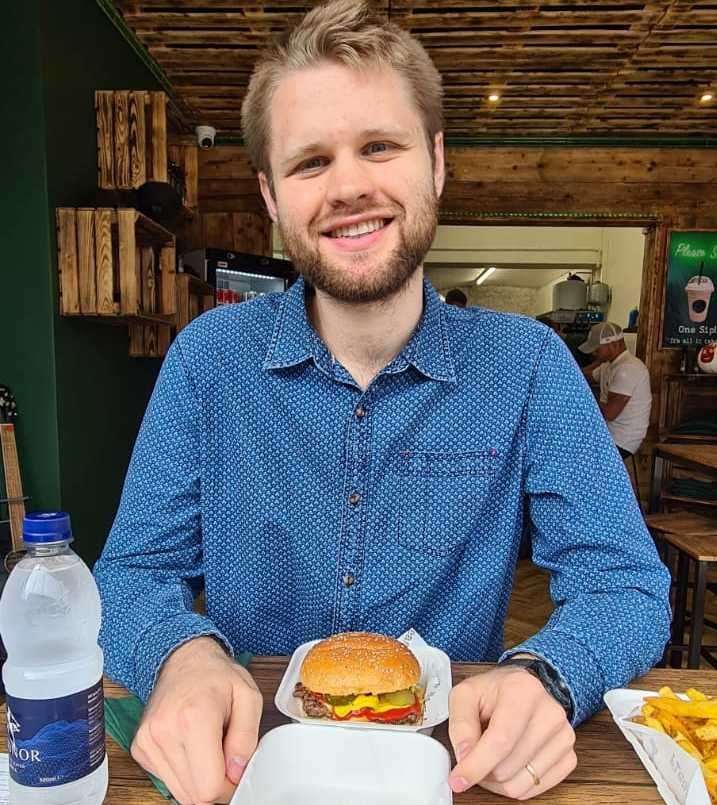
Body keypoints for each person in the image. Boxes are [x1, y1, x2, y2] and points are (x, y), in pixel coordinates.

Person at [93, 3, 670, 803]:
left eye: (378, 146)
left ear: (435, 161)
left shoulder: (529, 365)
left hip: (455, 772)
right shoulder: (207, 360)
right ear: (269, 194)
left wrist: (547, 674)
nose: (349, 187)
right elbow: (132, 572)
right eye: (309, 163)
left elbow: (626, 583)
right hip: (239, 770)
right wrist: (178, 653)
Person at [579, 321, 652, 458]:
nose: (594, 353)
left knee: (573, 455)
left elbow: (609, 414)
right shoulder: (609, 365)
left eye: (597, 349)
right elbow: (582, 376)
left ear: (613, 344)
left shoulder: (628, 369)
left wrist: (587, 396)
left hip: (622, 440)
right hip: (608, 433)